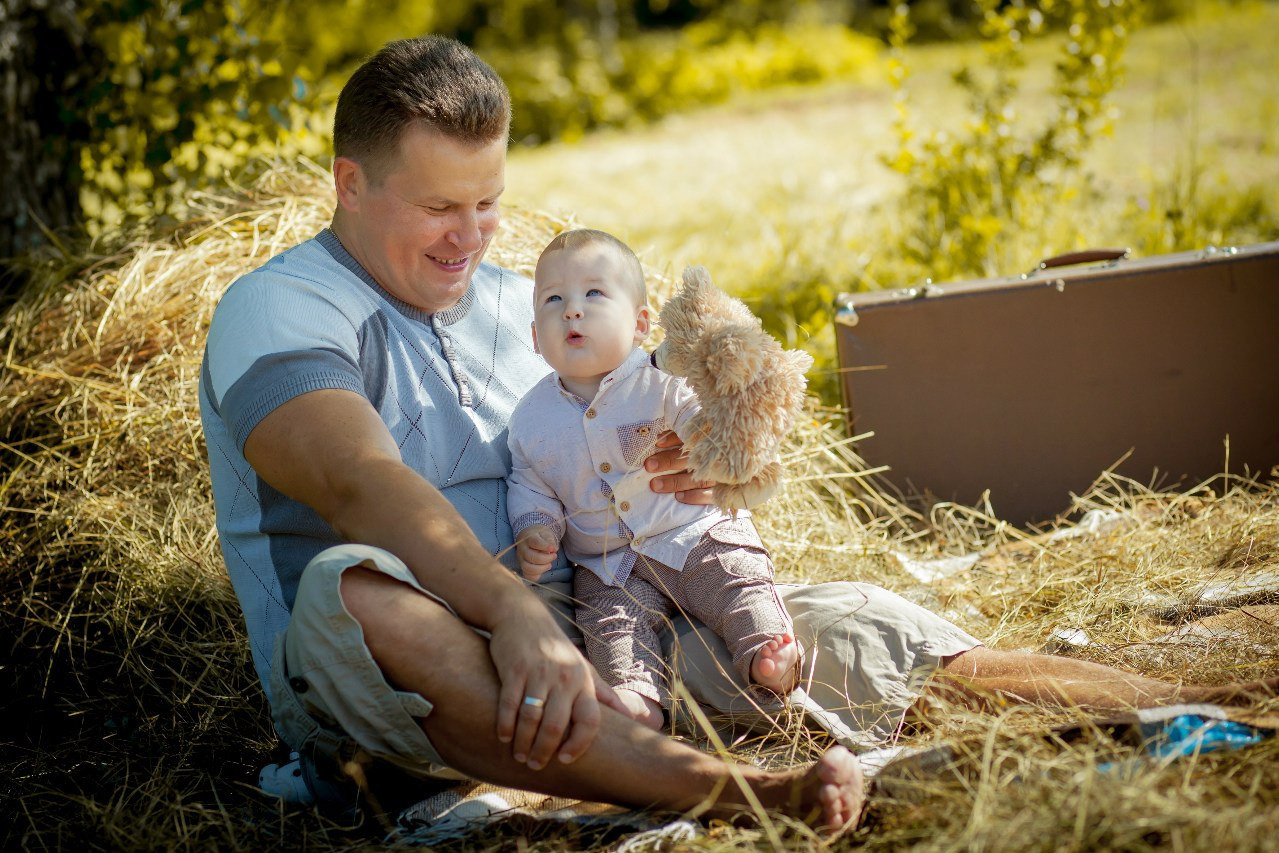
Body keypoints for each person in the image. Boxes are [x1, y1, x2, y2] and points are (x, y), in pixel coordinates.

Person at [198, 34, 1276, 832]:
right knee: (354, 589)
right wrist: (512, 615)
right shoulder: (279, 309)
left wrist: (712, 462)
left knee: (865, 624)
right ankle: (753, 793)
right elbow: (355, 479)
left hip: (606, 625)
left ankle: (1210, 708)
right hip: (414, 674)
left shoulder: (520, 304)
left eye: (489, 203)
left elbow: (673, 416)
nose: (472, 237)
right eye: (441, 207)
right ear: (350, 183)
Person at [507, 229, 800, 731]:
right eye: (553, 300)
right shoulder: (530, 418)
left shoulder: (661, 382)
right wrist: (537, 527)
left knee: (736, 581)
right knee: (610, 626)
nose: (571, 311)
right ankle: (637, 697)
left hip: (692, 535)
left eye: (593, 294)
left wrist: (710, 443)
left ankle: (766, 650)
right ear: (536, 336)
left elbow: (697, 422)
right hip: (607, 565)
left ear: (642, 323)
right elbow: (530, 483)